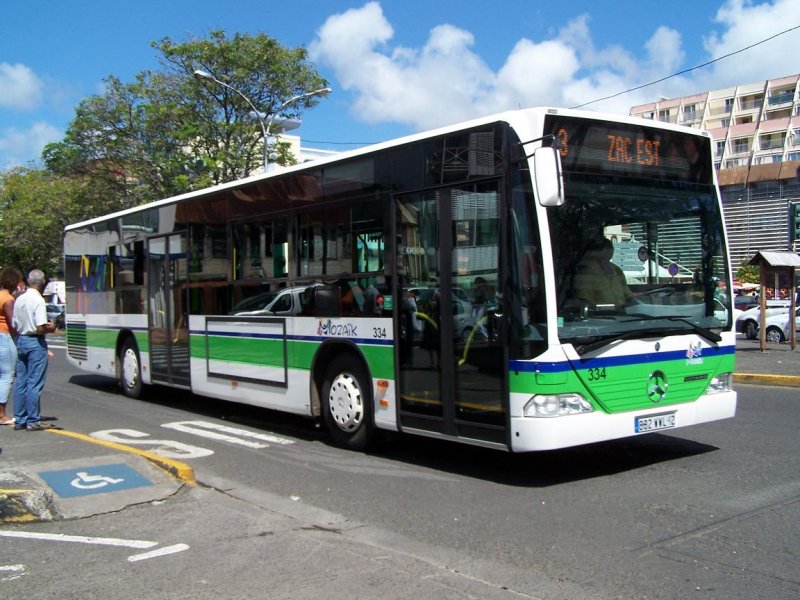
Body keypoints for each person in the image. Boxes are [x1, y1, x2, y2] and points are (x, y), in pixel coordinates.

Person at [13, 269, 57, 431]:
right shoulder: (38, 300)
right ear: (43, 282)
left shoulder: (20, 299)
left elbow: (15, 323)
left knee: (21, 381)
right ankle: (33, 419)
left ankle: (19, 419)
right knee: (35, 382)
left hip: (21, 339)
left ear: (28, 281)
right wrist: (51, 327)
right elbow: (40, 327)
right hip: (35, 341)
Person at [573, 237, 634, 308]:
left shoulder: (617, 270)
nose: (609, 251)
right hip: (599, 316)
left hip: (623, 315)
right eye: (605, 248)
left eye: (610, 248)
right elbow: (584, 301)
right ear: (596, 251)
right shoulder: (586, 272)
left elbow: (628, 296)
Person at [0, 267, 22, 425]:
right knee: (7, 376)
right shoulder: (8, 299)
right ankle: (1, 414)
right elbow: (12, 323)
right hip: (5, 337)